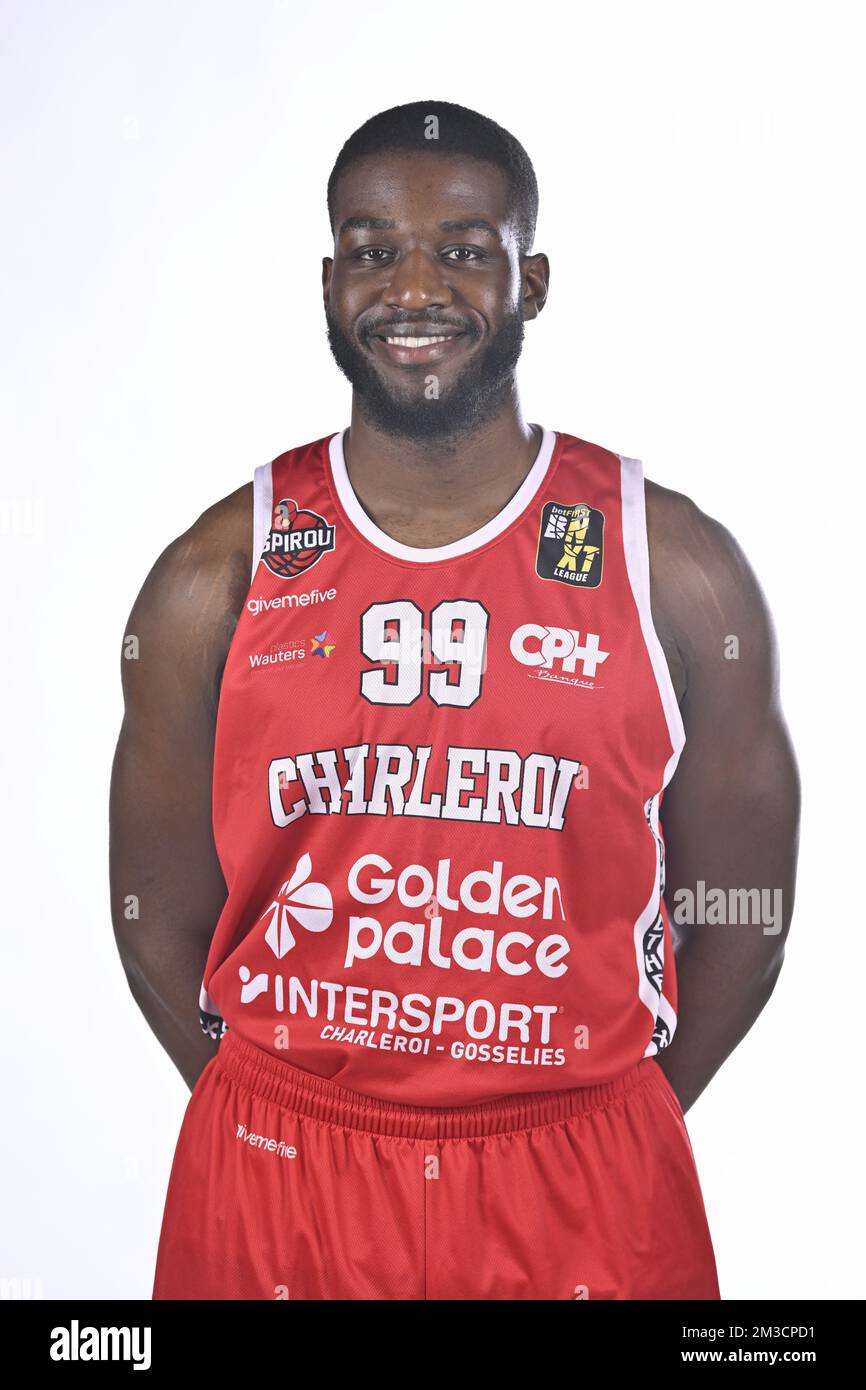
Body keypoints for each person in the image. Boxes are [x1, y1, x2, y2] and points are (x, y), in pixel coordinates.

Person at [110, 100, 800, 1300]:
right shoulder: (214, 574)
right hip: (282, 1176)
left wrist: (590, 1117)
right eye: (373, 249)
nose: (413, 286)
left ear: (530, 279)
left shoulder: (667, 565)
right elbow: (152, 913)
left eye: (464, 248)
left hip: (580, 1171)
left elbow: (741, 915)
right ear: (328, 280)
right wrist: (297, 1126)